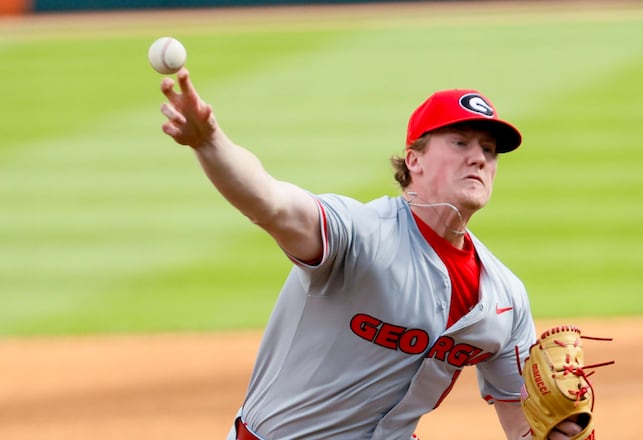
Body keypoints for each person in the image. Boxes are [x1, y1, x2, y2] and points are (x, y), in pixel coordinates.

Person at [158, 68, 585, 440]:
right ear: (413, 160)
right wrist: (209, 142)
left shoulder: (505, 297)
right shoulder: (362, 235)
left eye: (488, 151)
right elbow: (271, 203)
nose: (478, 158)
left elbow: (521, 421)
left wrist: (558, 434)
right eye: (460, 142)